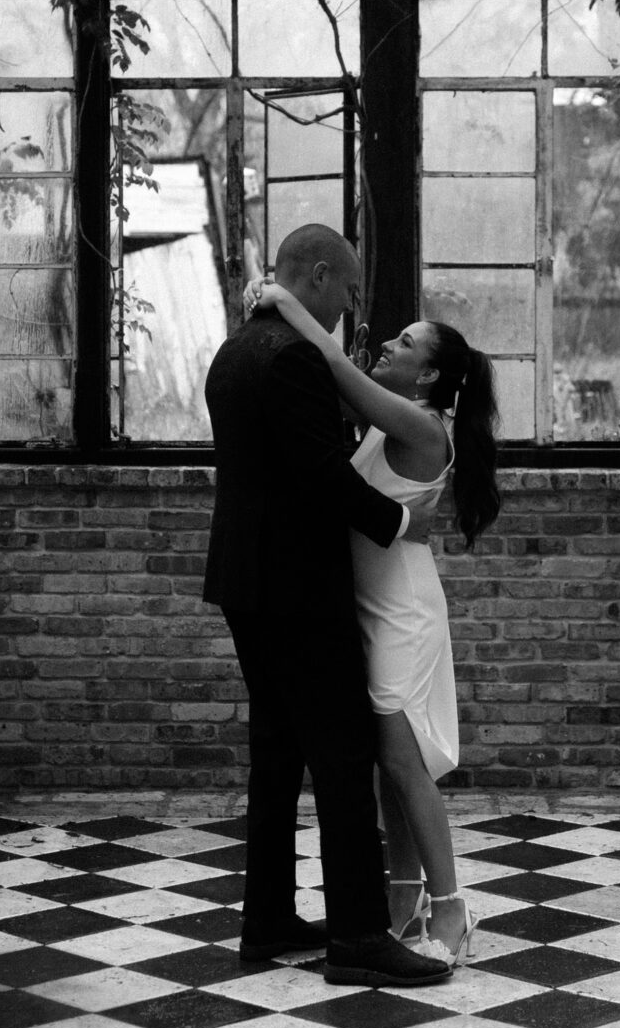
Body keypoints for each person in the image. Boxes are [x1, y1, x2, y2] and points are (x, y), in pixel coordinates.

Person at [202, 224, 451, 988]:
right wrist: (400, 521)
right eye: (347, 289)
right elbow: (324, 475)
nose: (350, 307)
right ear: (316, 275)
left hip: (243, 580)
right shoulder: (295, 358)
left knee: (277, 754)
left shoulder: (234, 351)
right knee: (343, 756)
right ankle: (358, 936)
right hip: (299, 587)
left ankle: (268, 919)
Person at [252, 278, 502, 966]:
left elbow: (335, 367)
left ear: (428, 375)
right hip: (372, 605)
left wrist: (281, 296)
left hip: (403, 611)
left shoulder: (422, 426)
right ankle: (402, 897)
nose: (390, 343)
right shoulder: (390, 419)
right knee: (387, 768)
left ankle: (451, 907)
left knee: (401, 759)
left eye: (406, 342)